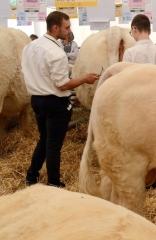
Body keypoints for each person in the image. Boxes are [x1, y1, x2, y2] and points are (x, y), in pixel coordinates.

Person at [22, 11, 100, 188]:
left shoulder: (30, 47)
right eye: (67, 27)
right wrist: (84, 79)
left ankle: (31, 176)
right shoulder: (56, 53)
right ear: (55, 27)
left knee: (44, 139)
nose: (69, 30)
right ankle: (54, 182)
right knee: (53, 144)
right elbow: (63, 85)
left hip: (36, 100)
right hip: (54, 102)